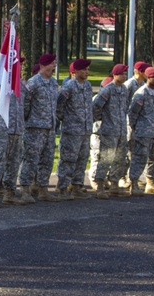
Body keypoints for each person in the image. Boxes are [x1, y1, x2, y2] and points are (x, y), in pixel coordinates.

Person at [0, 57, 27, 208]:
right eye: (17, 64)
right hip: (0, 130)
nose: (20, 67)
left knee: (14, 162)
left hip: (16, 130)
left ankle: (9, 193)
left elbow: (24, 107)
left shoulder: (20, 84)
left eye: (21, 64)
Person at [19, 53, 60, 202]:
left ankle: (43, 189)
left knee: (47, 160)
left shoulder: (54, 83)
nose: (54, 66)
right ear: (43, 65)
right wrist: (29, 120)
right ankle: (25, 189)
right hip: (35, 128)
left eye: (54, 63)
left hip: (50, 128)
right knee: (31, 160)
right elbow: (25, 104)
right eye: (51, 64)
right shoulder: (33, 82)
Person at [56, 58, 94, 200]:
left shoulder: (88, 86)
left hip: (85, 129)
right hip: (72, 130)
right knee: (68, 159)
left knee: (82, 158)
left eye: (88, 70)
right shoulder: (69, 87)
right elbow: (59, 106)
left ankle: (76, 186)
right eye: (84, 70)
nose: (86, 72)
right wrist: (66, 119)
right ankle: (62, 187)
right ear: (76, 71)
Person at [92, 64, 130, 198]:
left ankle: (114, 184)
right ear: (114, 75)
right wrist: (102, 120)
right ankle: (100, 186)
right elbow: (96, 107)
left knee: (120, 158)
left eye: (125, 74)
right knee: (106, 158)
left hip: (121, 131)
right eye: (122, 74)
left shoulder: (124, 89)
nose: (124, 76)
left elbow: (125, 108)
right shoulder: (107, 90)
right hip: (109, 130)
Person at [127, 66, 154, 196]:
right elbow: (132, 114)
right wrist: (136, 128)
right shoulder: (141, 93)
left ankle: (150, 183)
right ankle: (134, 183)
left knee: (153, 158)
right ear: (149, 77)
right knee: (139, 158)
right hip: (143, 133)